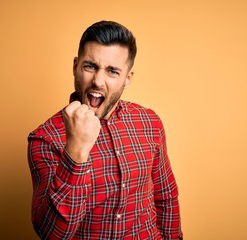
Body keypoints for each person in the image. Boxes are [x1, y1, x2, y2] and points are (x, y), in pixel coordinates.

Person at [27, 20, 183, 239]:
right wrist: (76, 151)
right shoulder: (45, 138)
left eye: (112, 71)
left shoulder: (149, 122)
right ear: (75, 67)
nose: (98, 81)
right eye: (90, 66)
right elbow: (53, 234)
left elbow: (165, 196)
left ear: (127, 79)